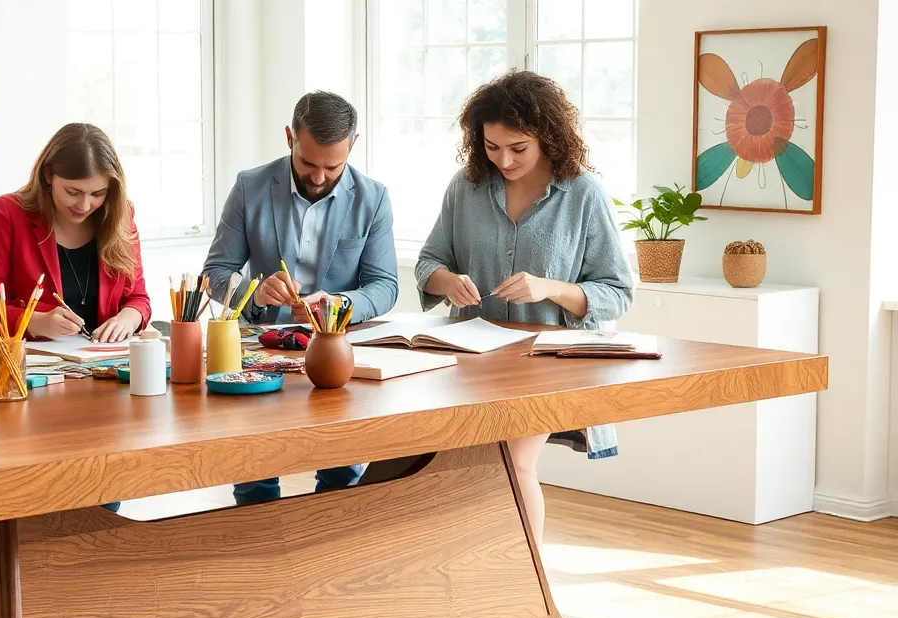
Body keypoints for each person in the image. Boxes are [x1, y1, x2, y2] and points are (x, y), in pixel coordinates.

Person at [414, 70, 633, 541]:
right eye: (492, 147)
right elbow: (429, 261)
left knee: (513, 463)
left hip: (547, 364)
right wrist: (447, 280)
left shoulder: (582, 194)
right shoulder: (465, 187)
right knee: (453, 469)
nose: (505, 160)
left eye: (518, 148)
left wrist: (550, 288)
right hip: (472, 361)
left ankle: (531, 586)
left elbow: (617, 290)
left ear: (547, 136)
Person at [202, 90, 398, 504]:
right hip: (261, 349)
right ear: (289, 137)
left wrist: (340, 306)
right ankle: (260, 548)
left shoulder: (373, 197)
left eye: (334, 166)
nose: (321, 175)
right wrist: (255, 293)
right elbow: (215, 274)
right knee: (254, 470)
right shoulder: (250, 187)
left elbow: (385, 285)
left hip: (333, 348)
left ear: (354, 146)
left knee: (342, 468)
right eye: (309, 162)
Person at [0, 122, 151, 346]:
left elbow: (138, 298)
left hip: (98, 366)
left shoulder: (120, 216)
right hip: (23, 366)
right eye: (73, 192)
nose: (85, 205)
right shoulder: (9, 213)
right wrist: (36, 322)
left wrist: (128, 319)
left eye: (98, 193)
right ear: (48, 175)